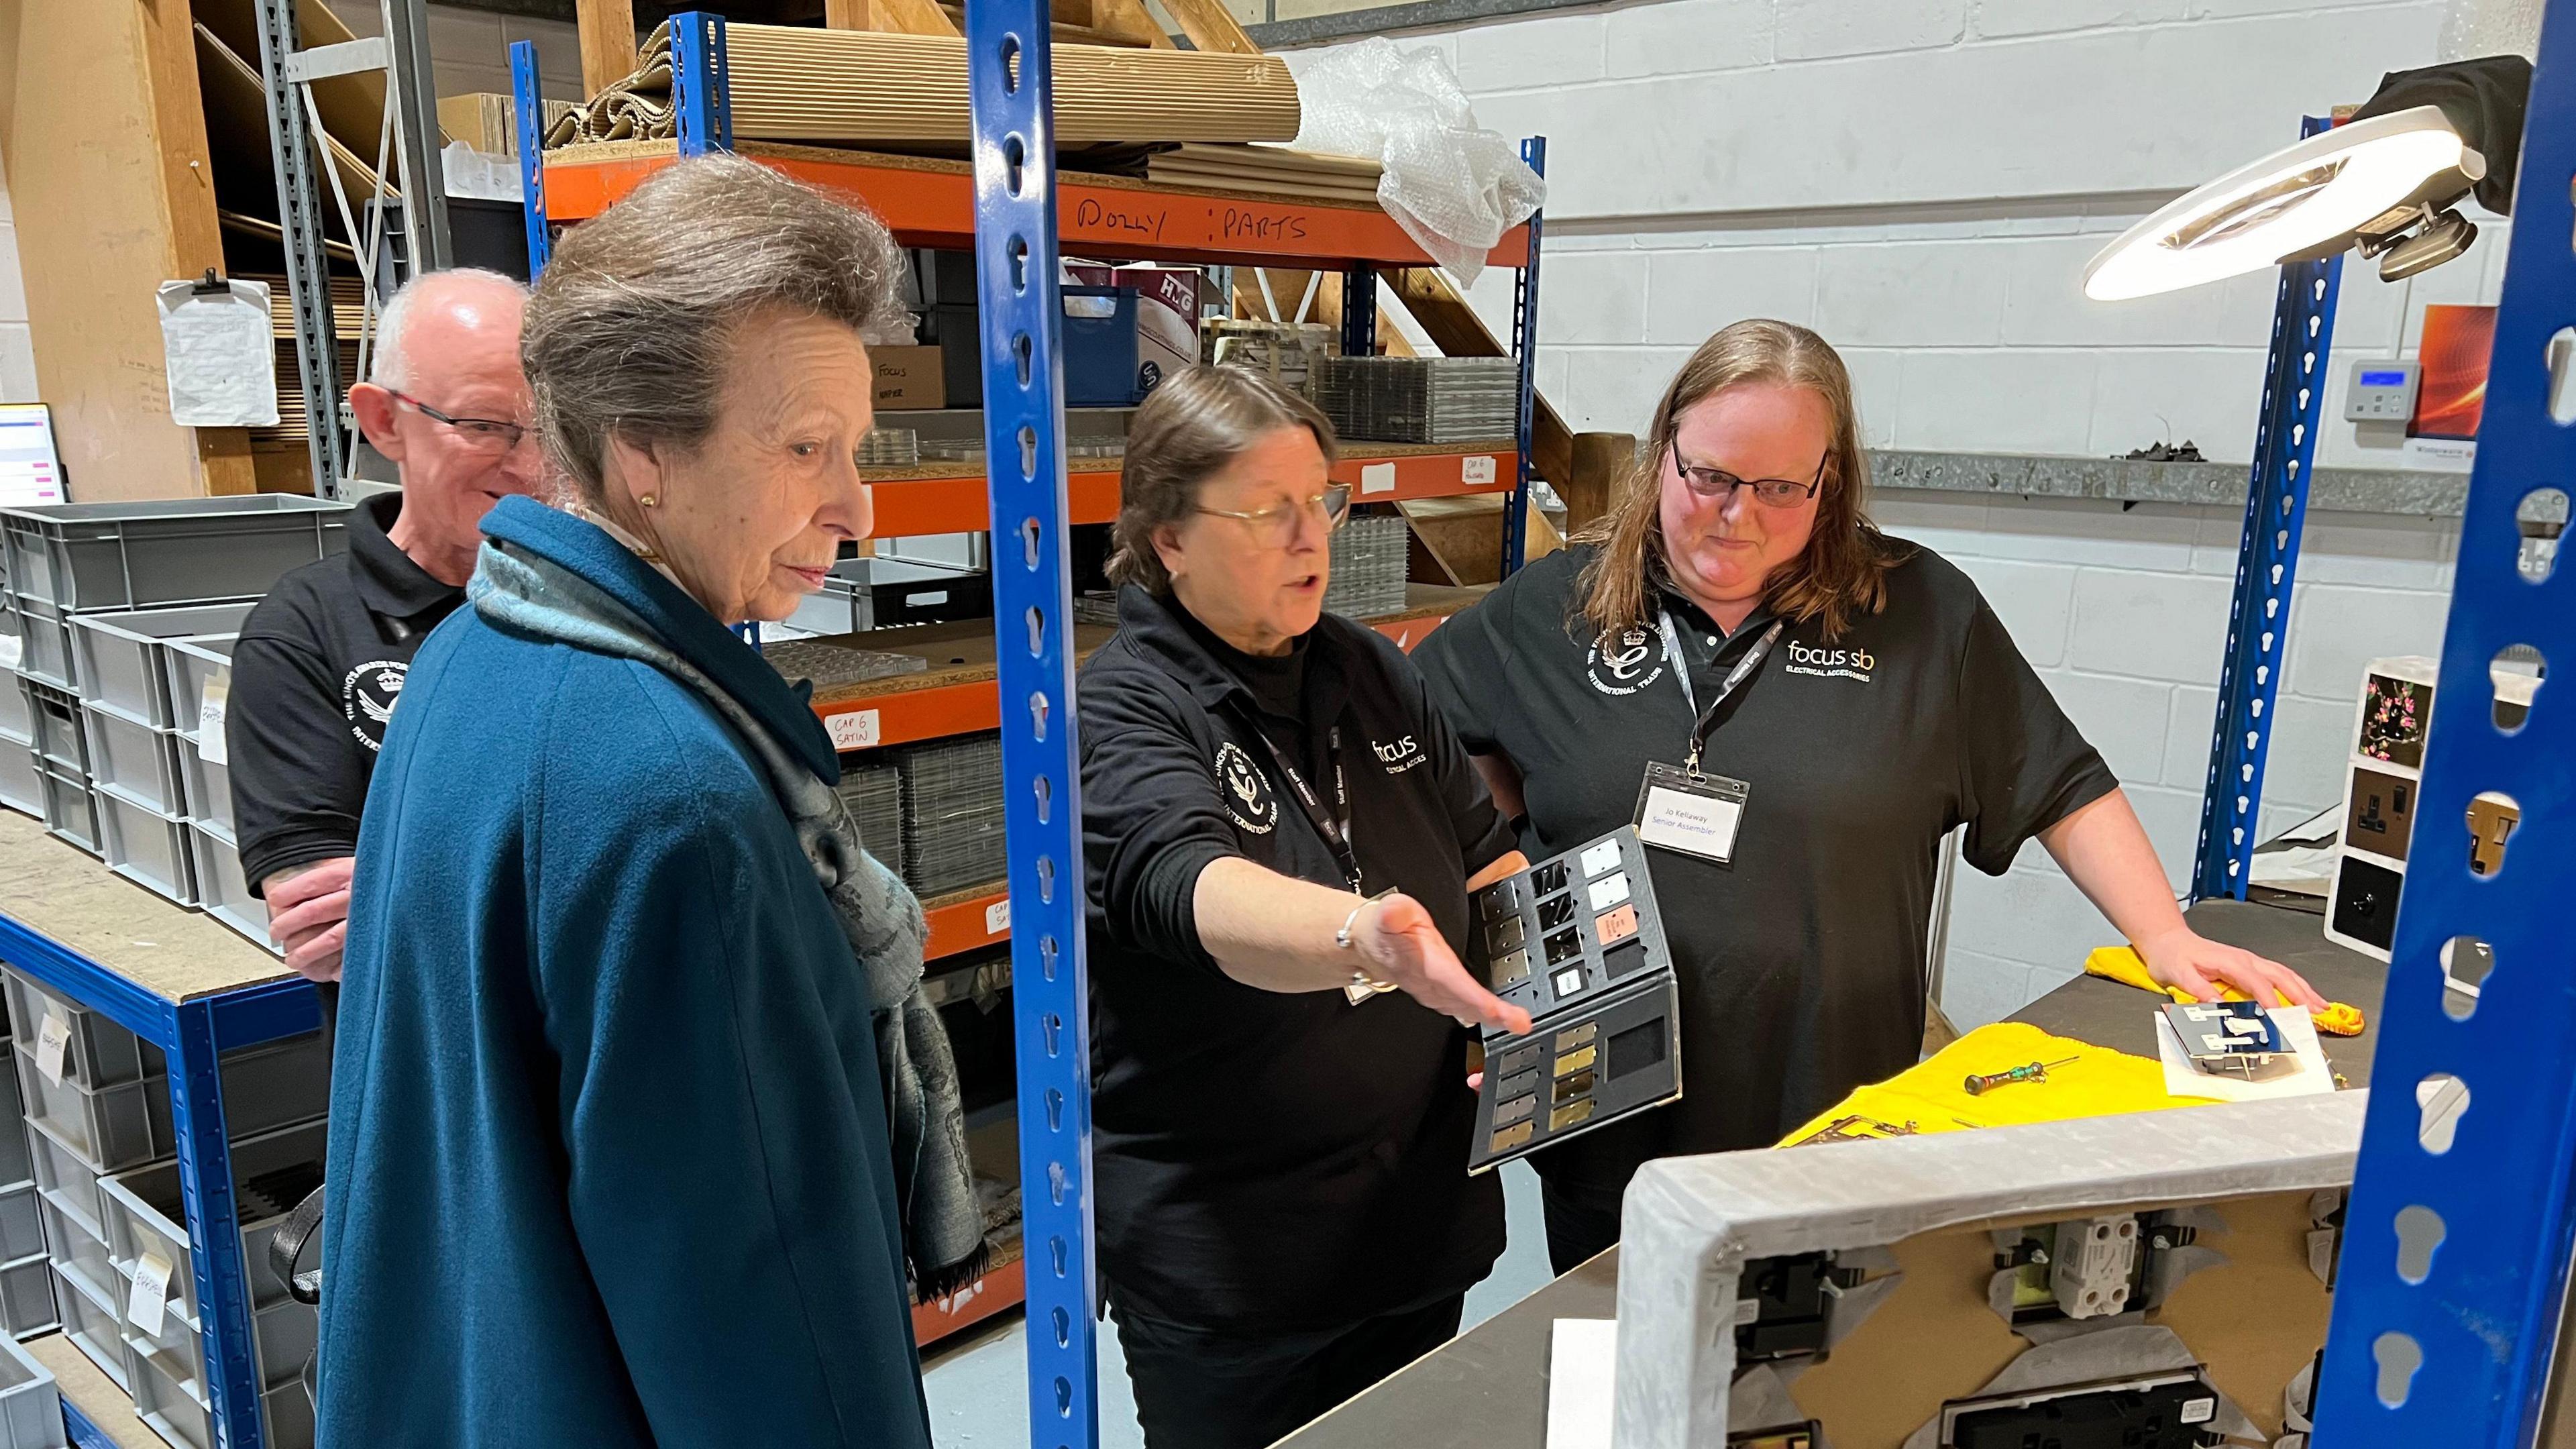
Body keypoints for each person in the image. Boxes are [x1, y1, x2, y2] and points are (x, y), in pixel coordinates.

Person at [1411, 319, 2326, 1274]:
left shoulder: (1922, 612)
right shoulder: (1556, 607)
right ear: (1663, 455)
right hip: (1614, 1118)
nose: (1737, 513)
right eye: (1710, 476)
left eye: (1779, 489)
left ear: (1829, 483)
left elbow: (2060, 782)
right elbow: (1420, 749)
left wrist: (2165, 936)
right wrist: (1490, 913)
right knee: (1618, 1370)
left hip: (1833, 1111)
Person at [317, 156, 975, 1446]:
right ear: (641, 457)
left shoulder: (475, 650)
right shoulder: (677, 799)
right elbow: (766, 1333)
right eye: (805, 450)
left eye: (854, 450)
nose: (856, 506)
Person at [1077, 364, 1534, 1449]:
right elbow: (1188, 889)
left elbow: (1482, 862)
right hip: (1239, 1275)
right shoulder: (1128, 703)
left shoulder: (1374, 669)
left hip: (1414, 1230)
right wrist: (1361, 934)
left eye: (1321, 500)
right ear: (1168, 539)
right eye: (1264, 510)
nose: (1309, 536)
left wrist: (1546, 988)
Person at [227, 267, 539, 984]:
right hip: (423, 1073)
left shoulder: (591, 600)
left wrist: (403, 882)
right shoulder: (302, 635)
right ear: (384, 422)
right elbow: (332, 937)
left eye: (546, 428)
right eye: (485, 426)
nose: (527, 464)